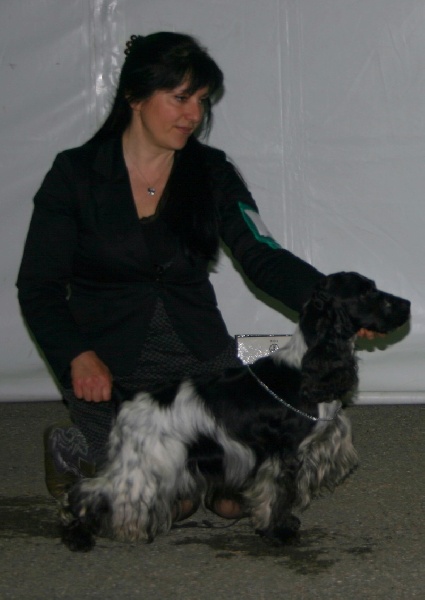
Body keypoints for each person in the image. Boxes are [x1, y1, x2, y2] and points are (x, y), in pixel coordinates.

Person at [17, 32, 375, 521]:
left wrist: (333, 303)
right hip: (108, 366)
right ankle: (74, 442)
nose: (193, 115)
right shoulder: (75, 174)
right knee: (172, 501)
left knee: (236, 499)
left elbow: (261, 254)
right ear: (135, 96)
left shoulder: (211, 170)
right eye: (180, 98)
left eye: (202, 101)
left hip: (199, 360)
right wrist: (76, 355)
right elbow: (38, 287)